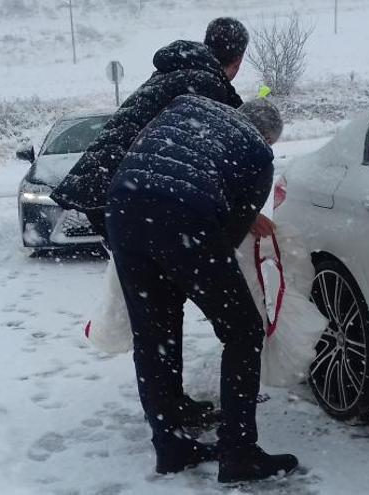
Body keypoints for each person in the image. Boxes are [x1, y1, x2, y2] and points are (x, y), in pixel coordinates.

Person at [52, 17, 267, 429]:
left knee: (157, 320)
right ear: (238, 59)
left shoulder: (172, 74)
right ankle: (221, 438)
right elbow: (212, 163)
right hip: (154, 202)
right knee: (196, 317)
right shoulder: (203, 89)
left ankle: (169, 426)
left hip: (115, 198)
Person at [105, 94, 298, 482]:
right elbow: (226, 237)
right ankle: (239, 452)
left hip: (123, 205)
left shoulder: (185, 106)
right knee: (243, 331)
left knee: (153, 336)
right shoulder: (259, 155)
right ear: (268, 138)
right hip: (182, 214)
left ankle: (171, 445)